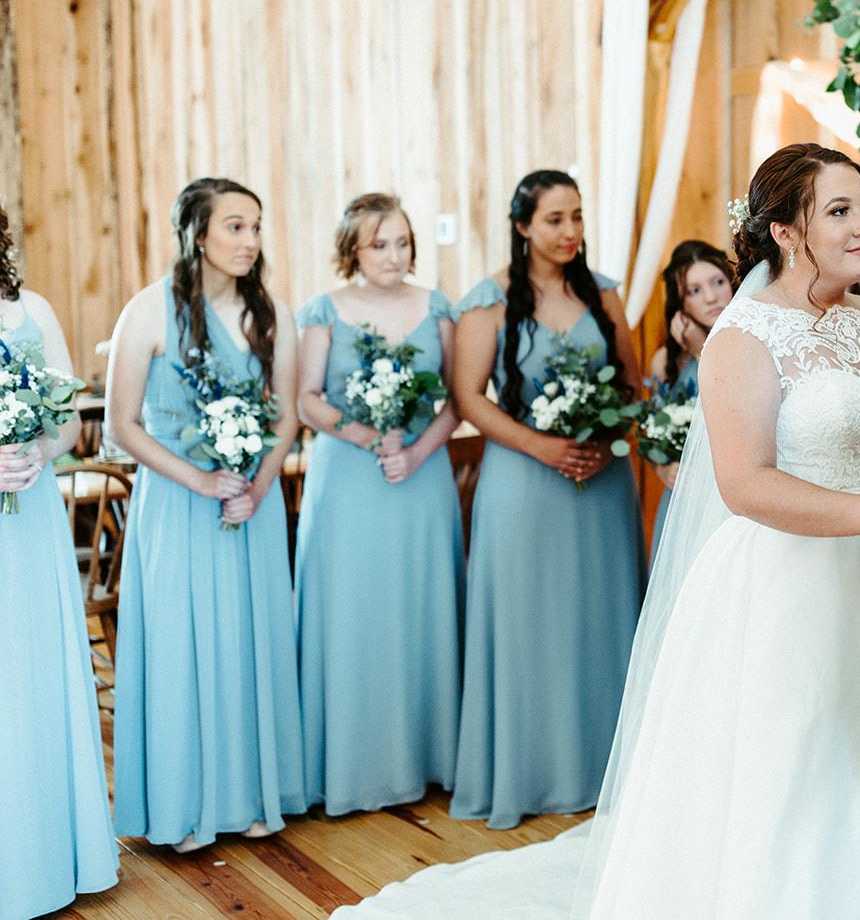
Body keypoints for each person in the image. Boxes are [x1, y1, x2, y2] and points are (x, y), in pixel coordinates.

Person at [331, 144, 860, 920]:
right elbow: (746, 482)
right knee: (803, 777)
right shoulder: (747, 333)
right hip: (793, 590)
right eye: (840, 211)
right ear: (786, 230)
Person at [106, 177, 304, 852]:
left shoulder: (269, 312)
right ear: (198, 235)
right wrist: (201, 478)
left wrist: (256, 484)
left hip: (252, 501)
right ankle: (185, 802)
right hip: (178, 501)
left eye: (255, 227)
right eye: (235, 227)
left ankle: (252, 794)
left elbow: (285, 415)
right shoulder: (147, 311)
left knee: (249, 643)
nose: (250, 241)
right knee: (182, 646)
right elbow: (121, 426)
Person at [450, 170, 646, 829]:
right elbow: (469, 396)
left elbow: (632, 380)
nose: (570, 232)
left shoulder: (605, 293)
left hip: (601, 482)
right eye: (555, 219)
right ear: (523, 226)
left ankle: (606, 768)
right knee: (529, 621)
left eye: (578, 218)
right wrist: (544, 447)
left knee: (601, 616)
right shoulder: (489, 299)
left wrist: (606, 431)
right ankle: (530, 771)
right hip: (524, 480)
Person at [294, 193, 466, 816]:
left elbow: (458, 398)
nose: (394, 256)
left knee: (418, 605)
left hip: (420, 477)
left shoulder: (438, 306)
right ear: (352, 249)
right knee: (353, 611)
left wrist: (416, 452)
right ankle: (347, 768)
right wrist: (370, 437)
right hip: (348, 479)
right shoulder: (323, 310)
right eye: (379, 244)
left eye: (402, 242)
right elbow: (306, 399)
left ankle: (429, 760)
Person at [0, 210, 119, 917]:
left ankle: (40, 851)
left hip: (30, 515)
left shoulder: (31, 309)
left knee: (31, 672)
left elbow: (69, 421)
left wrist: (34, 451)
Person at [644, 240, 733, 555]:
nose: (711, 297)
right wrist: (663, 468)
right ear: (680, 304)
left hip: (733, 494)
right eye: (694, 291)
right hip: (687, 500)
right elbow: (654, 435)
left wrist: (700, 350)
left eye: (717, 282)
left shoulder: (754, 343)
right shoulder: (665, 363)